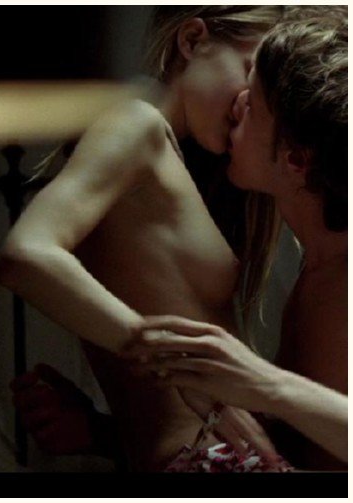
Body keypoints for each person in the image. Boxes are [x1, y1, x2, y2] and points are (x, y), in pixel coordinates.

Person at [0, 6, 286, 471]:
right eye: (249, 71)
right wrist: (179, 366)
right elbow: (25, 256)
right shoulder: (135, 121)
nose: (249, 101)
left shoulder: (181, 164)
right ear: (192, 40)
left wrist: (98, 430)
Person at [126, 15, 348, 470]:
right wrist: (97, 430)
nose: (238, 102)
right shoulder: (318, 265)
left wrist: (263, 383)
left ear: (296, 159)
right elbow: (295, 446)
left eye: (254, 105)